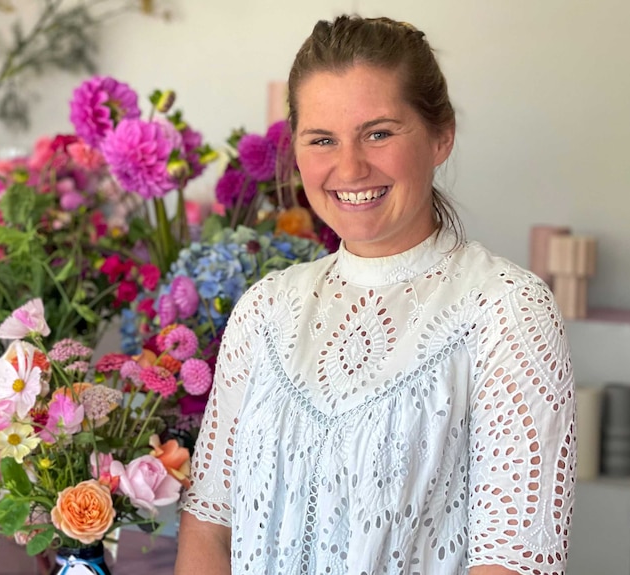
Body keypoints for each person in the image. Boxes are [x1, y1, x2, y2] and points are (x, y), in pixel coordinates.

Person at [175, 14, 575, 575]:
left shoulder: (506, 309)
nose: (350, 166)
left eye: (379, 132)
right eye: (322, 139)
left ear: (441, 136)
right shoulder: (265, 310)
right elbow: (211, 526)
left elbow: (513, 562)